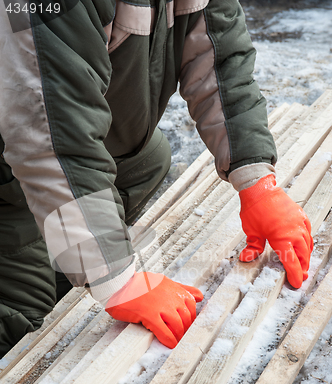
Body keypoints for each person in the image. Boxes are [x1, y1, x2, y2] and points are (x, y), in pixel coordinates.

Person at [0, 0, 313, 357]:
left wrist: (258, 183)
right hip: (12, 166)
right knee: (21, 314)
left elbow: (220, 56)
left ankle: (69, 261)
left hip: (58, 147)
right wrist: (119, 282)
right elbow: (50, 134)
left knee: (148, 162)